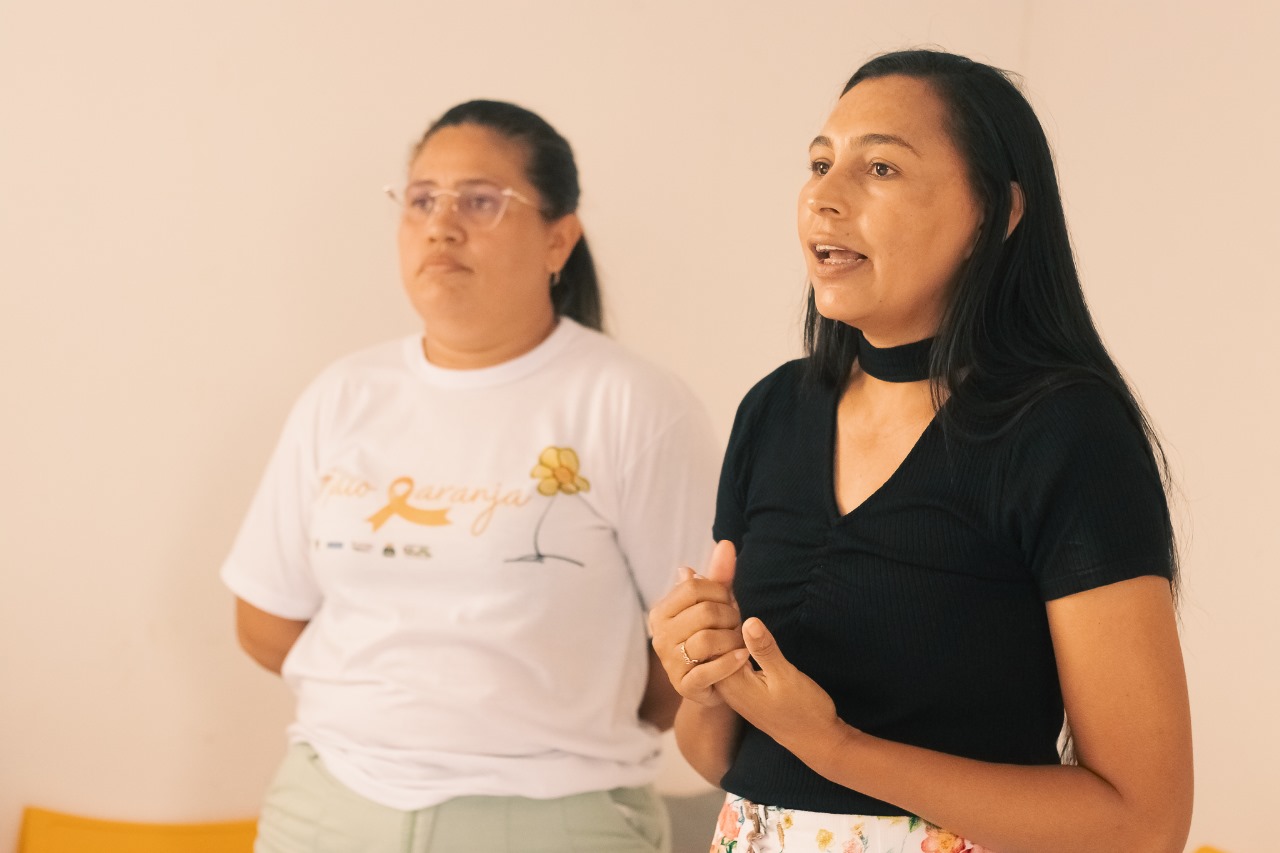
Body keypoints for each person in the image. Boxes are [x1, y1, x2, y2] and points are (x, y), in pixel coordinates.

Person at [649, 50, 1192, 853]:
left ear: (994, 214)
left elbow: (1143, 823)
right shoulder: (774, 411)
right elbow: (723, 759)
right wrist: (702, 677)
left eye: (880, 167)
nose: (825, 196)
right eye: (819, 164)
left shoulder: (1066, 432)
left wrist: (838, 746)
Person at [222, 99, 719, 853]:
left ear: (559, 239)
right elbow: (265, 620)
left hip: (555, 818)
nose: (441, 225)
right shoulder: (344, 395)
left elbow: (688, 649)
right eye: (421, 199)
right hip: (328, 809)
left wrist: (544, 727)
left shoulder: (632, 404)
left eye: (481, 200)